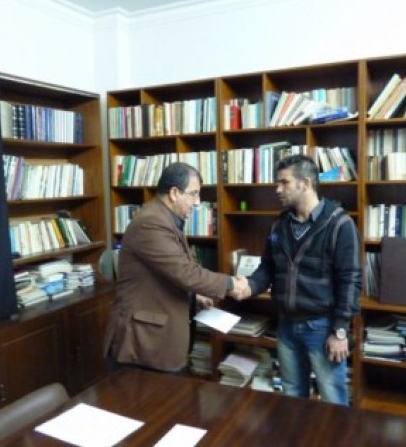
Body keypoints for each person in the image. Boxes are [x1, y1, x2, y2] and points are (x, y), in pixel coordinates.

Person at [237, 154, 361, 405]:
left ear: (305, 184)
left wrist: (340, 331)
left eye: (284, 182)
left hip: (322, 327)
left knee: (333, 398)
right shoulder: (279, 225)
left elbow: (350, 280)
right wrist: (248, 286)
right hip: (286, 325)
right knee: (292, 395)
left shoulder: (340, 224)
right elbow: (267, 269)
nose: (277, 189)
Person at [104, 162, 248, 373]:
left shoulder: (164, 218)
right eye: (193, 194)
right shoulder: (151, 223)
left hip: (155, 342)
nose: (197, 202)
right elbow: (185, 272)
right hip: (142, 344)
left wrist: (193, 296)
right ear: (174, 193)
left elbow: (165, 273)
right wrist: (230, 283)